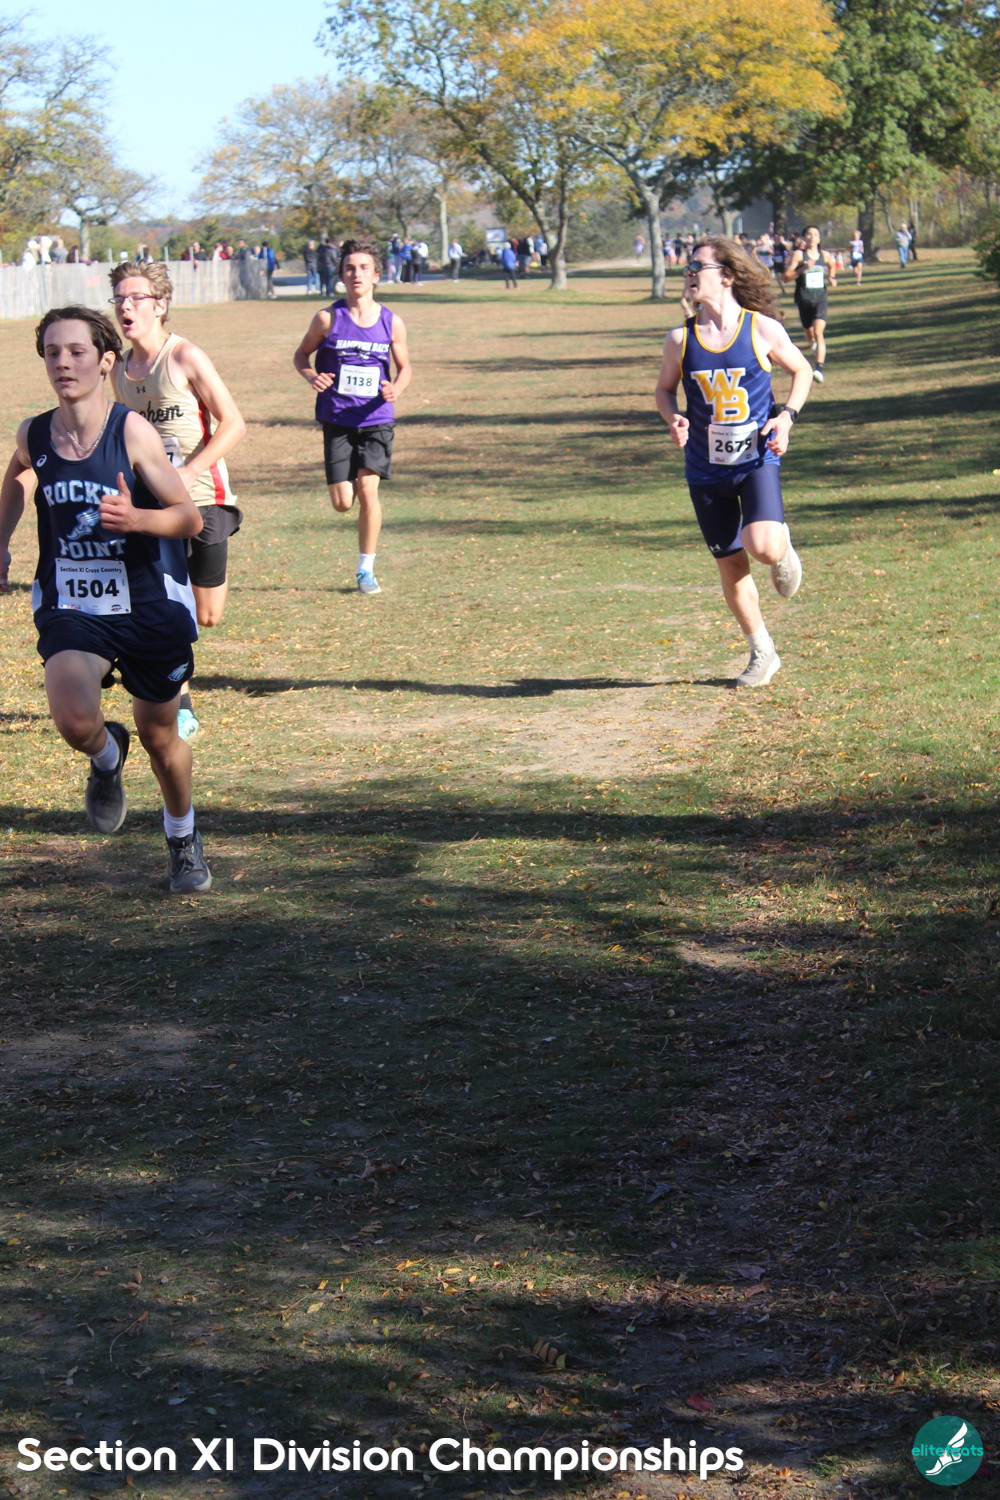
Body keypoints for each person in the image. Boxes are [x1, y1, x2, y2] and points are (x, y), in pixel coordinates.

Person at [0, 306, 212, 892]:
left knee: (161, 738)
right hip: (74, 604)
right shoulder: (34, 434)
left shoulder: (132, 432)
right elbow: (17, 477)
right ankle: (105, 754)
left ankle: (182, 836)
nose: (63, 363)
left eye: (77, 351)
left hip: (148, 603)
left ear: (105, 362)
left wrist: (138, 518)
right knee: (73, 719)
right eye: (52, 352)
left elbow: (189, 517)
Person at [655, 236, 813, 689]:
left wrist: (786, 417)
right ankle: (762, 651)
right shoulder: (680, 339)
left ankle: (781, 546)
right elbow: (664, 390)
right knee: (730, 563)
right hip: (704, 468)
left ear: (725, 275)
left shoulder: (761, 329)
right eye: (687, 267)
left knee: (762, 547)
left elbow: (802, 370)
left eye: (697, 266)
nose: (688, 273)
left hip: (756, 458)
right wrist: (674, 418)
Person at [109, 260, 246, 740]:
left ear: (161, 305)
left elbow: (234, 423)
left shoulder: (184, 356)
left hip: (204, 498)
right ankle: (179, 701)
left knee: (206, 613)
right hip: (152, 507)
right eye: (119, 298)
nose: (125, 306)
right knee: (167, 605)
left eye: (136, 298)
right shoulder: (118, 368)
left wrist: (188, 471)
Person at [292, 239, 412, 596]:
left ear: (376, 275)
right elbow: (301, 356)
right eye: (349, 268)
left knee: (368, 491)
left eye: (363, 268)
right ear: (341, 275)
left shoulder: (391, 322)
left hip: (376, 417)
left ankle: (365, 569)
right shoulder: (327, 319)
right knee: (343, 502)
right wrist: (312, 376)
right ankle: (352, 495)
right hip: (337, 418)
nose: (356, 274)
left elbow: (405, 368)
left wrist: (396, 389)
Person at [783, 225, 837, 382]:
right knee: (809, 333)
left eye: (815, 234)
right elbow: (786, 277)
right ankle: (814, 345)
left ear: (819, 238)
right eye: (809, 234)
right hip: (804, 298)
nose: (812, 237)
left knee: (819, 332)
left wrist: (832, 277)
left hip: (820, 298)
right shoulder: (799, 255)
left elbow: (832, 265)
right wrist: (804, 268)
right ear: (804, 238)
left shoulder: (825, 255)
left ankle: (819, 368)